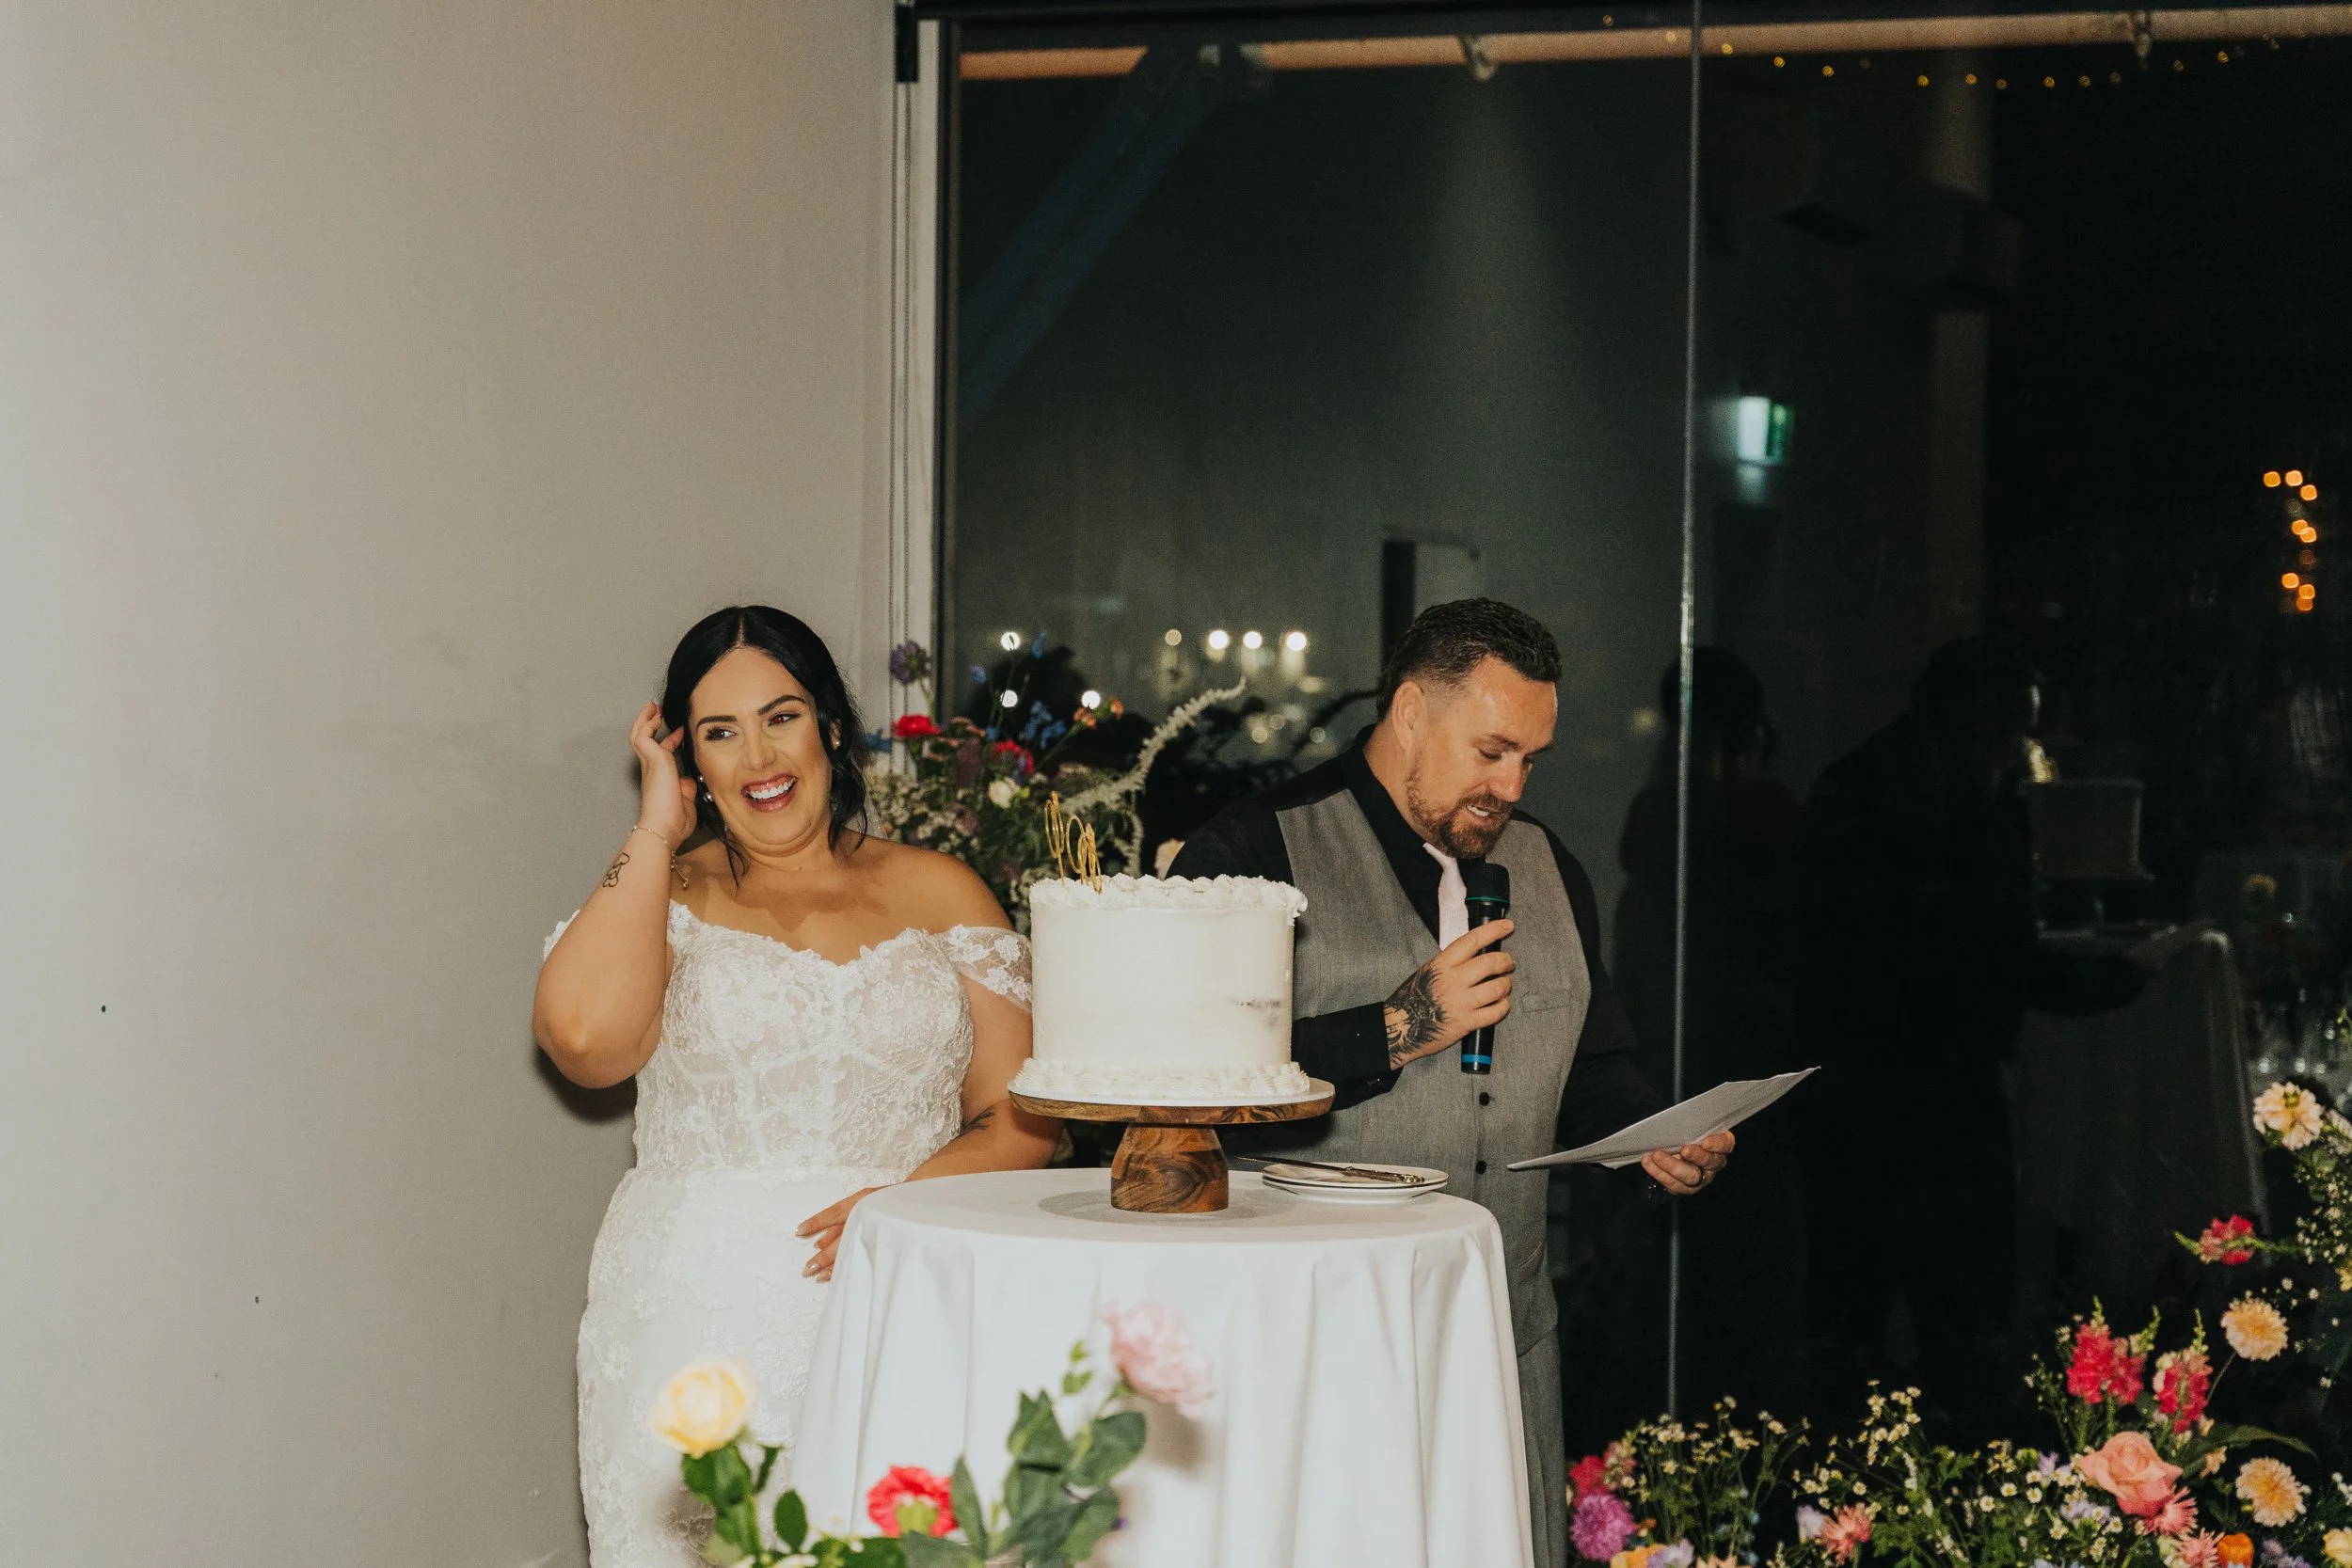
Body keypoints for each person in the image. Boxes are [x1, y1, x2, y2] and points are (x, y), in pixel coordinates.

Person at [1170, 598, 1734, 1568]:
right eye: (1490, 750)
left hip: (1502, 1339)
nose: (1509, 784)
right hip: (1312, 1343)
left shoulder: (1548, 865)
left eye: (1530, 759)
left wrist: (1654, 1134)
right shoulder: (1257, 848)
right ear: (1406, 714)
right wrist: (1396, 1028)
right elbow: (1180, 1083)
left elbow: (1594, 1066)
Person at [533, 606, 1058, 1567]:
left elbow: (1024, 1116)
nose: (756, 755)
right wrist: (655, 827)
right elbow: (582, 1042)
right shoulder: (666, 893)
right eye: (719, 732)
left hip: (902, 1289)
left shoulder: (943, 890)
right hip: (692, 1311)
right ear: (688, 755)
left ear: (827, 724)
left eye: (779, 716)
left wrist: (909, 1205)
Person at [1795, 635, 2137, 1436]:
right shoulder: (1953, 800)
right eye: (2015, 723)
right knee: (1948, 1305)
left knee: (1860, 1306)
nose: (2024, 743)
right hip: (1928, 1083)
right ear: (1975, 715)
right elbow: (1986, 953)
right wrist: (2099, 982)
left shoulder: (1867, 783)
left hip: (1864, 1082)